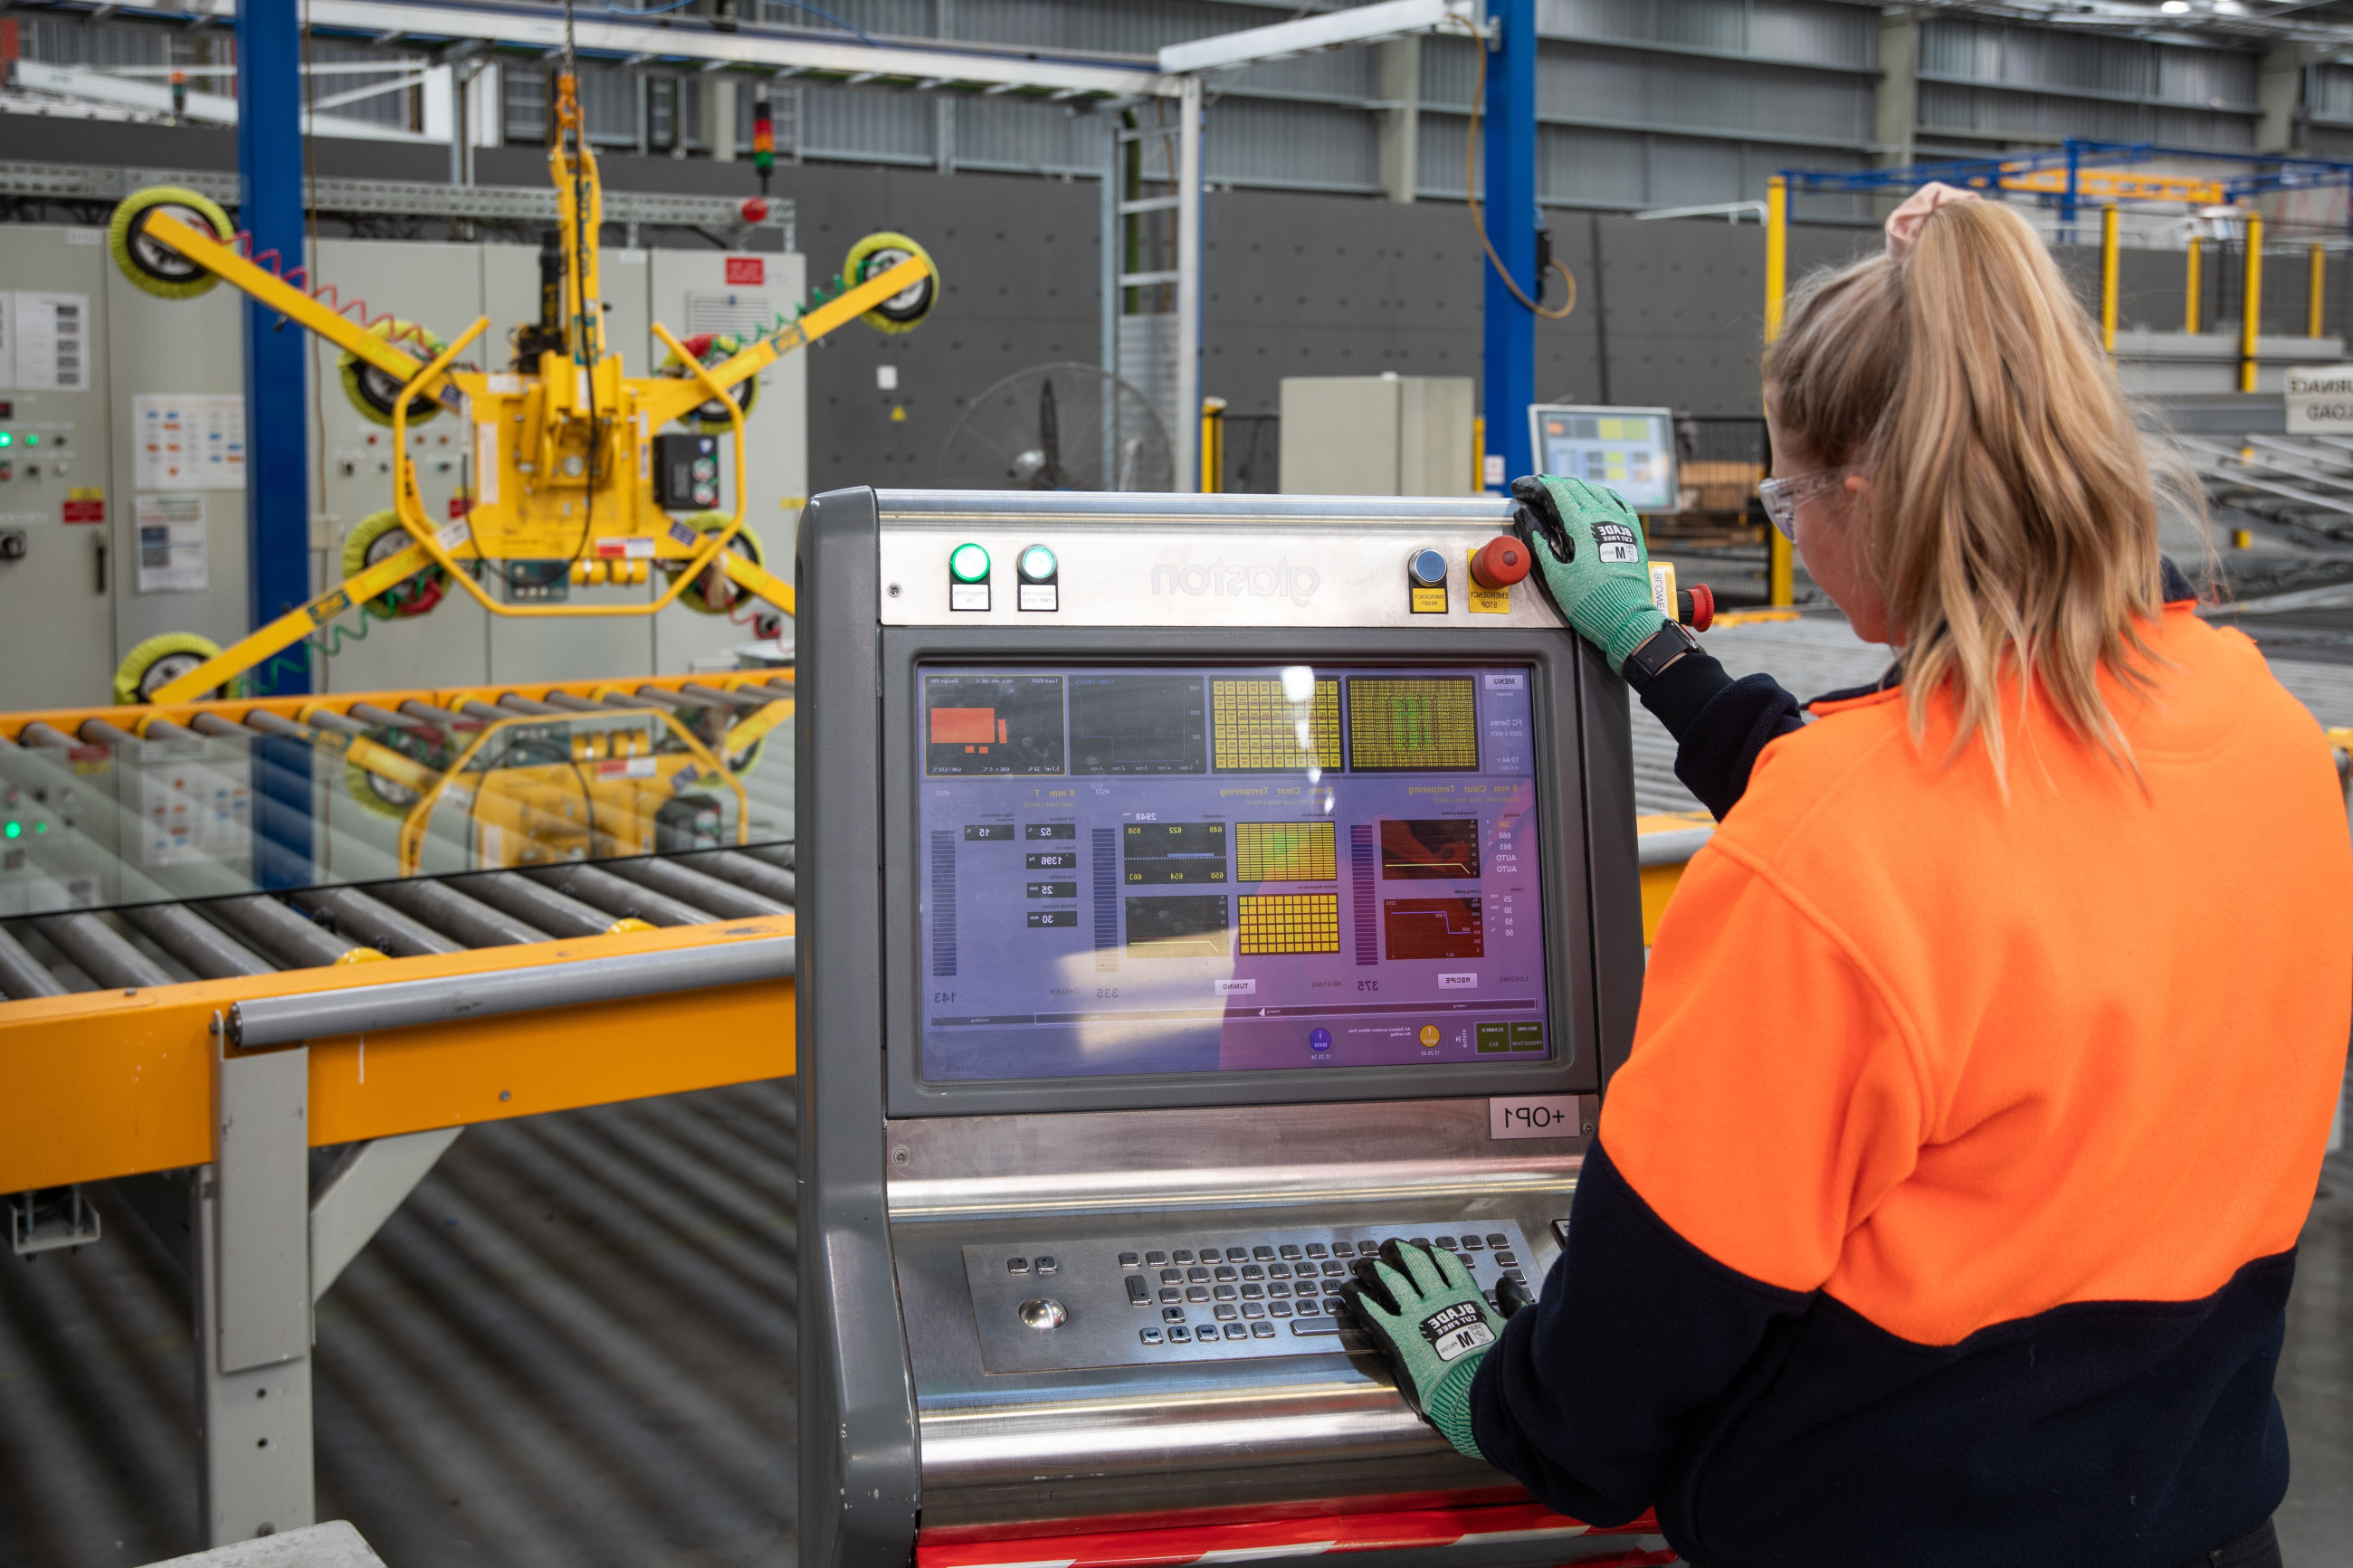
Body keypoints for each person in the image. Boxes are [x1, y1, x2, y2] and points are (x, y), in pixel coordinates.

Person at [1342, 185, 2353, 1568]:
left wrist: (1486, 1380)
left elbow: (1616, 1386)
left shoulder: (1826, 859)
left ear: (1861, 497)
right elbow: (1961, 830)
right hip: (2204, 1518)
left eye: (1786, 492)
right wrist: (1649, 647)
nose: (1789, 527)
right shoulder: (2256, 730)